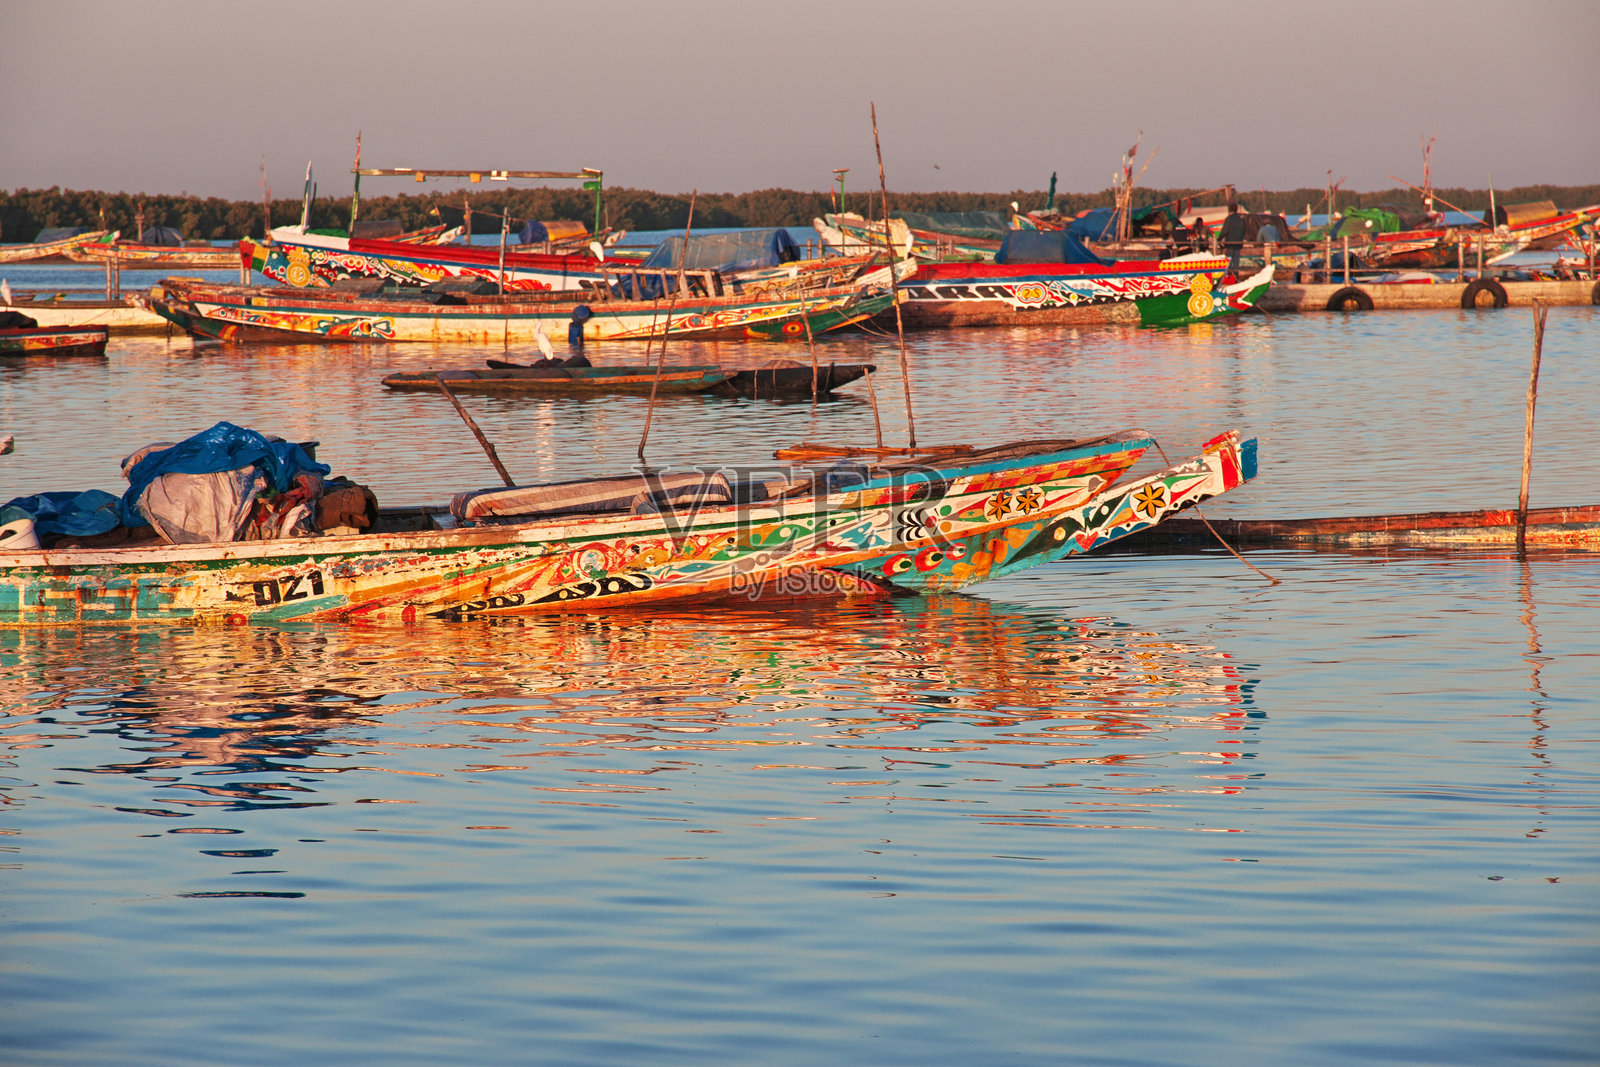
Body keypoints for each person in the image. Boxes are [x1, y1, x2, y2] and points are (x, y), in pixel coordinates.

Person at [1220, 203, 1248, 273]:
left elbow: (1224, 231)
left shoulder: (1228, 219)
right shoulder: (1241, 220)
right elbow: (1244, 231)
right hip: (1238, 243)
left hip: (1230, 243)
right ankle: (1236, 274)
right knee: (1236, 262)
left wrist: (1219, 239)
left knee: (1229, 261)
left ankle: (1230, 275)